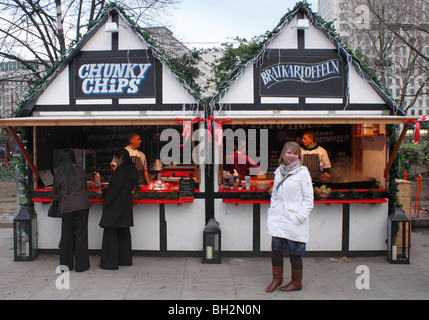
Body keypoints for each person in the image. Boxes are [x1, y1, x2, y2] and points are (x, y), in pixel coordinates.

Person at [266, 141, 314, 292]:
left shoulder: (303, 173)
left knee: (294, 253)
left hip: (294, 220)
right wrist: (272, 209)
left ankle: (296, 282)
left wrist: (299, 217)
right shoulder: (278, 171)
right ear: (283, 154)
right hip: (278, 218)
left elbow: (308, 199)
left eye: (295, 153)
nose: (292, 156)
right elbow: (274, 193)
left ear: (299, 155)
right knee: (276, 251)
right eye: (289, 153)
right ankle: (277, 279)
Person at [53, 149, 91, 272]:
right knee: (81, 235)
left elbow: (56, 194)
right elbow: (85, 187)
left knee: (66, 235)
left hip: (67, 207)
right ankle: (82, 265)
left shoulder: (60, 173)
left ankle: (66, 265)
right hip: (83, 205)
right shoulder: (80, 171)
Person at [100, 148, 139, 270]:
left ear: (120, 158)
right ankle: (125, 260)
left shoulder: (120, 171)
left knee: (110, 233)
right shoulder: (130, 169)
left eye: (115, 158)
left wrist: (106, 201)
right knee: (124, 232)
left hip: (115, 205)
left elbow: (114, 189)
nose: (115, 161)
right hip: (125, 205)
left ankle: (110, 263)